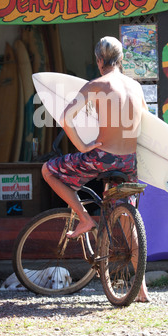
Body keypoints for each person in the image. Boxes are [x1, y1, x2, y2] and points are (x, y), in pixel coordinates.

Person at [42, 36, 149, 302]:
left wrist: (83, 145)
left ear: (99, 60)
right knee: (128, 220)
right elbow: (146, 123)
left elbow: (66, 117)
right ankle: (142, 289)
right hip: (130, 161)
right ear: (121, 58)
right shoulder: (135, 86)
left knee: (48, 170)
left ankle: (85, 218)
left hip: (103, 157)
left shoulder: (97, 85)